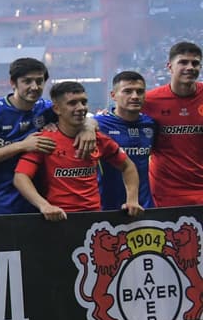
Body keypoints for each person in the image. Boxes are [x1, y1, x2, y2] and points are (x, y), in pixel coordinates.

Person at [0, 56, 95, 216]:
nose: (34, 87)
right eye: (27, 81)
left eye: (39, 81)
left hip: (38, 202)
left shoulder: (47, 109)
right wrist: (22, 145)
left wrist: (88, 128)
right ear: (13, 83)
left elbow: (84, 116)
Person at [14, 81, 140, 221]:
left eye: (84, 102)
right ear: (57, 109)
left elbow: (128, 166)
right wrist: (44, 205)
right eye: (72, 103)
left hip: (94, 218)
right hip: (57, 219)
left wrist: (132, 200)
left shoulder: (98, 139)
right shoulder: (44, 140)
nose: (81, 108)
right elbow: (20, 177)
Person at [144, 41, 203, 207]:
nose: (190, 67)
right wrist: (89, 127)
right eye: (183, 62)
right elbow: (114, 116)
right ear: (169, 67)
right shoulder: (150, 100)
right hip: (165, 192)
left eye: (195, 63)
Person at [94, 71, 155, 212]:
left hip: (144, 205)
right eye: (127, 91)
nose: (135, 96)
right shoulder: (98, 125)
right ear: (113, 95)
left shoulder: (151, 124)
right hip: (107, 206)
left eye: (140, 92)